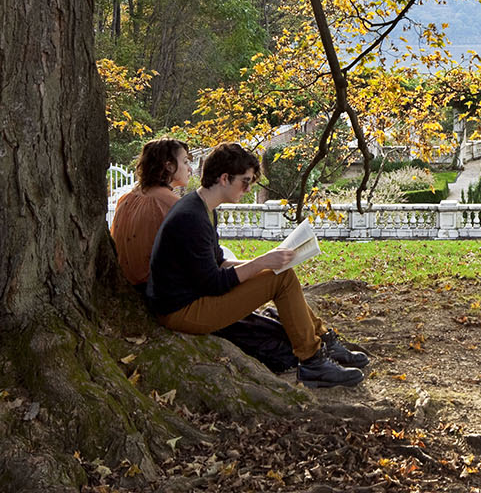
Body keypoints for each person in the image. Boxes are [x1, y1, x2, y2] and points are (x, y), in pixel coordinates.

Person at [146, 142, 368, 388]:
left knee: (280, 272)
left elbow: (219, 261)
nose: (248, 188)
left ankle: (323, 340)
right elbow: (213, 283)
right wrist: (262, 262)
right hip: (181, 312)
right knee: (279, 278)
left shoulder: (204, 209)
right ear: (224, 178)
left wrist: (268, 262)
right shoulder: (191, 216)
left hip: (195, 298)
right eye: (245, 181)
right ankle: (313, 361)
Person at [110, 138, 192, 289]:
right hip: (157, 291)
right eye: (185, 162)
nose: (190, 169)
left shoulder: (126, 199)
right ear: (169, 166)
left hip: (125, 286)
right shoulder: (172, 205)